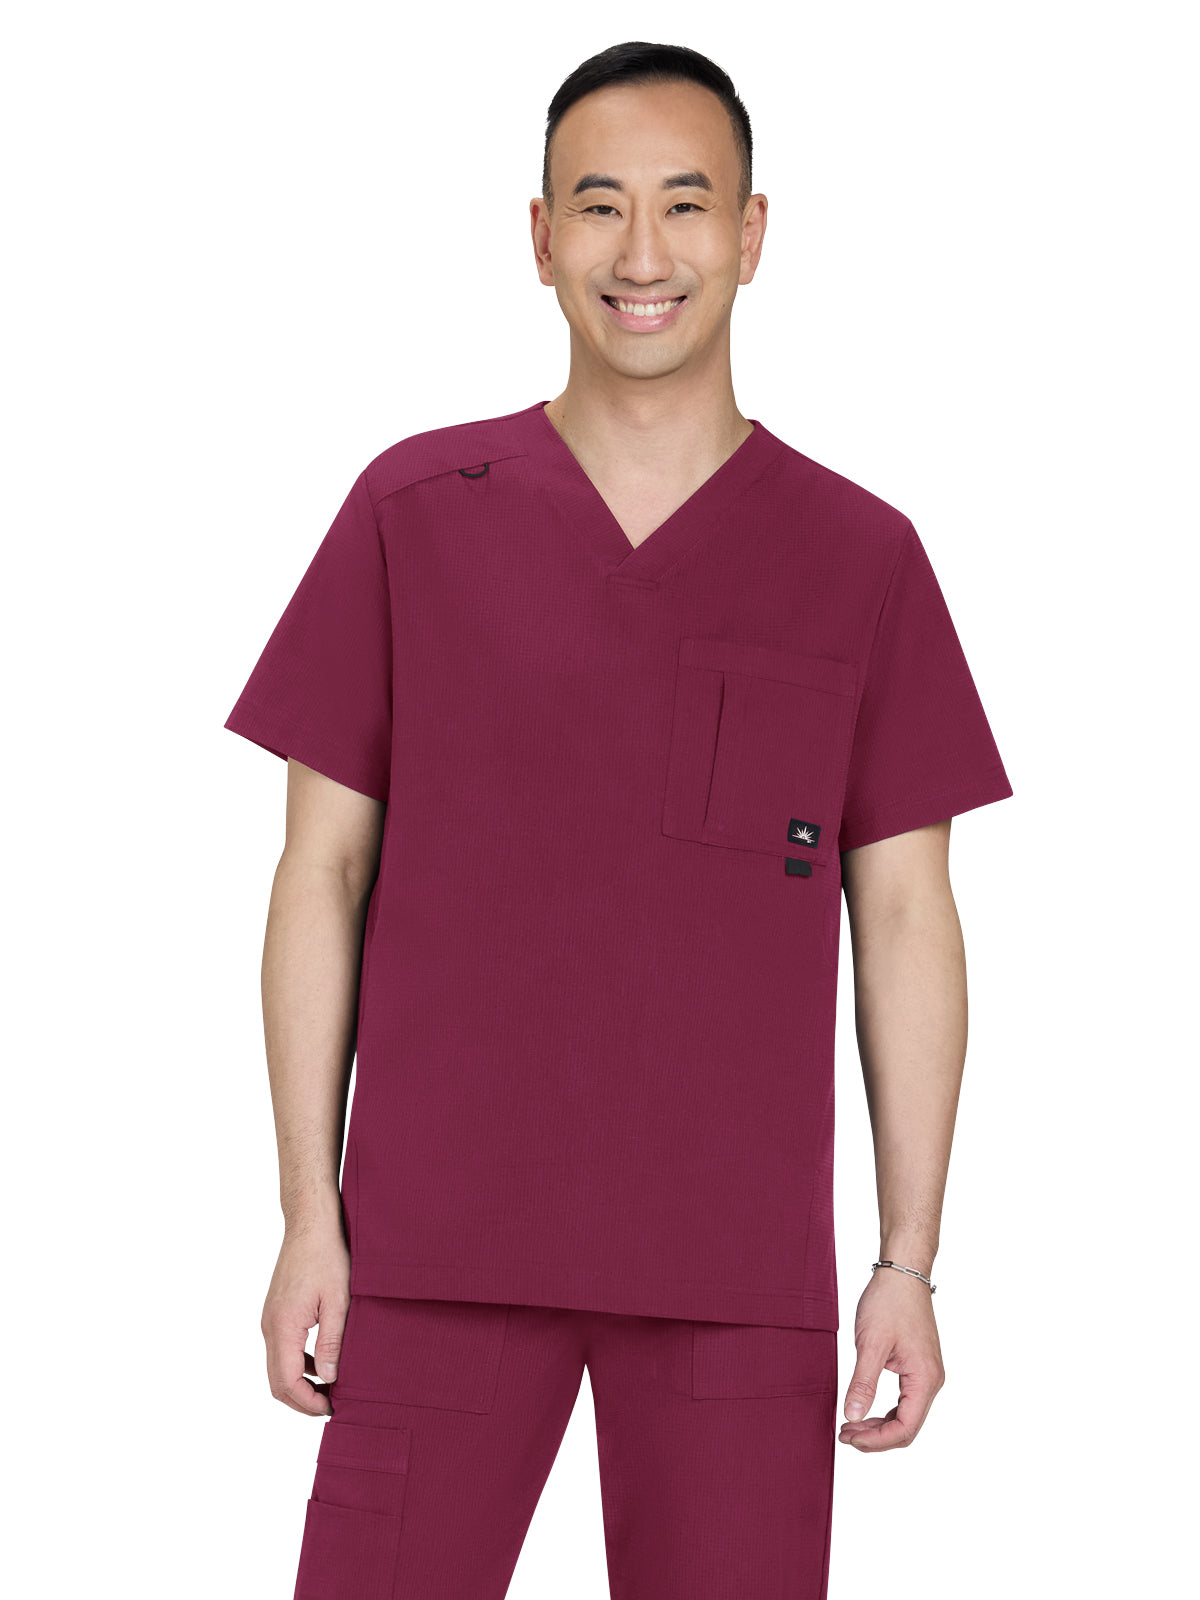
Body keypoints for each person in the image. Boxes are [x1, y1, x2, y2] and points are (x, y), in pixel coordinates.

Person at [224, 40, 1013, 1600]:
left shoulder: (857, 555)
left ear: (752, 233)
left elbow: (907, 914)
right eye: (599, 206)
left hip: (735, 1277)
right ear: (539, 237)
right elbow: (321, 869)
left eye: (685, 204)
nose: (643, 254)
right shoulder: (413, 513)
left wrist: (908, 1260)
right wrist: (310, 1212)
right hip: (433, 1255)